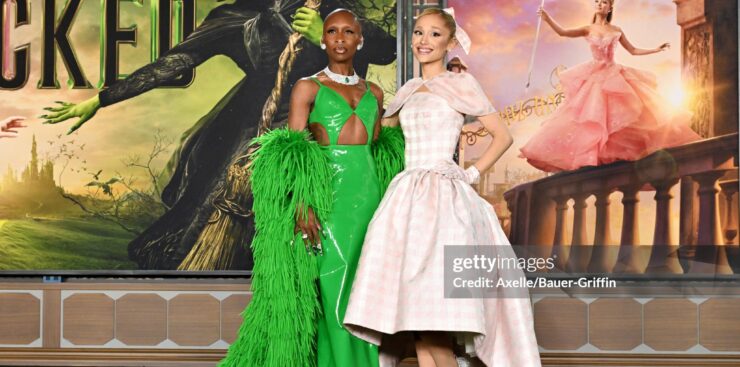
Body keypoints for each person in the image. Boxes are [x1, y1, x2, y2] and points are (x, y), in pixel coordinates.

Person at [40, 0, 397, 270]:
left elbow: (387, 49)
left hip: (325, 134)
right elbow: (177, 61)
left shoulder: (332, 8)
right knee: (212, 219)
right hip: (255, 128)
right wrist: (102, 99)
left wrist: (325, 33)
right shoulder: (235, 17)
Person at [344, 8, 541, 367]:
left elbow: (503, 136)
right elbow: (380, 134)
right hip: (405, 200)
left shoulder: (462, 84)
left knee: (435, 318)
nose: (424, 41)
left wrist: (470, 174)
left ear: (451, 43)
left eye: (435, 34)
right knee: (416, 321)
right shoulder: (406, 90)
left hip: (444, 202)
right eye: (419, 32)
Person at [219, 9, 404, 367]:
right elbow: (296, 151)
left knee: (364, 289)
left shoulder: (375, 93)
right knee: (332, 284)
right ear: (323, 39)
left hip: (369, 200)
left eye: (348, 31)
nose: (339, 38)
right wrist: (303, 204)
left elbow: (377, 150)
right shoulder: (308, 86)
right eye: (332, 31)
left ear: (359, 40)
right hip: (327, 198)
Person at [519, 0, 701, 172]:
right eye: (597, 1)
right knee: (592, 116)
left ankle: (619, 158)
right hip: (595, 76)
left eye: (604, 2)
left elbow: (633, 50)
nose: (599, 4)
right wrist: (547, 18)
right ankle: (593, 159)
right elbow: (563, 32)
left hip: (614, 74)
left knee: (627, 113)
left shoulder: (616, 30)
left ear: (610, 7)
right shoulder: (588, 28)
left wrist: (655, 49)